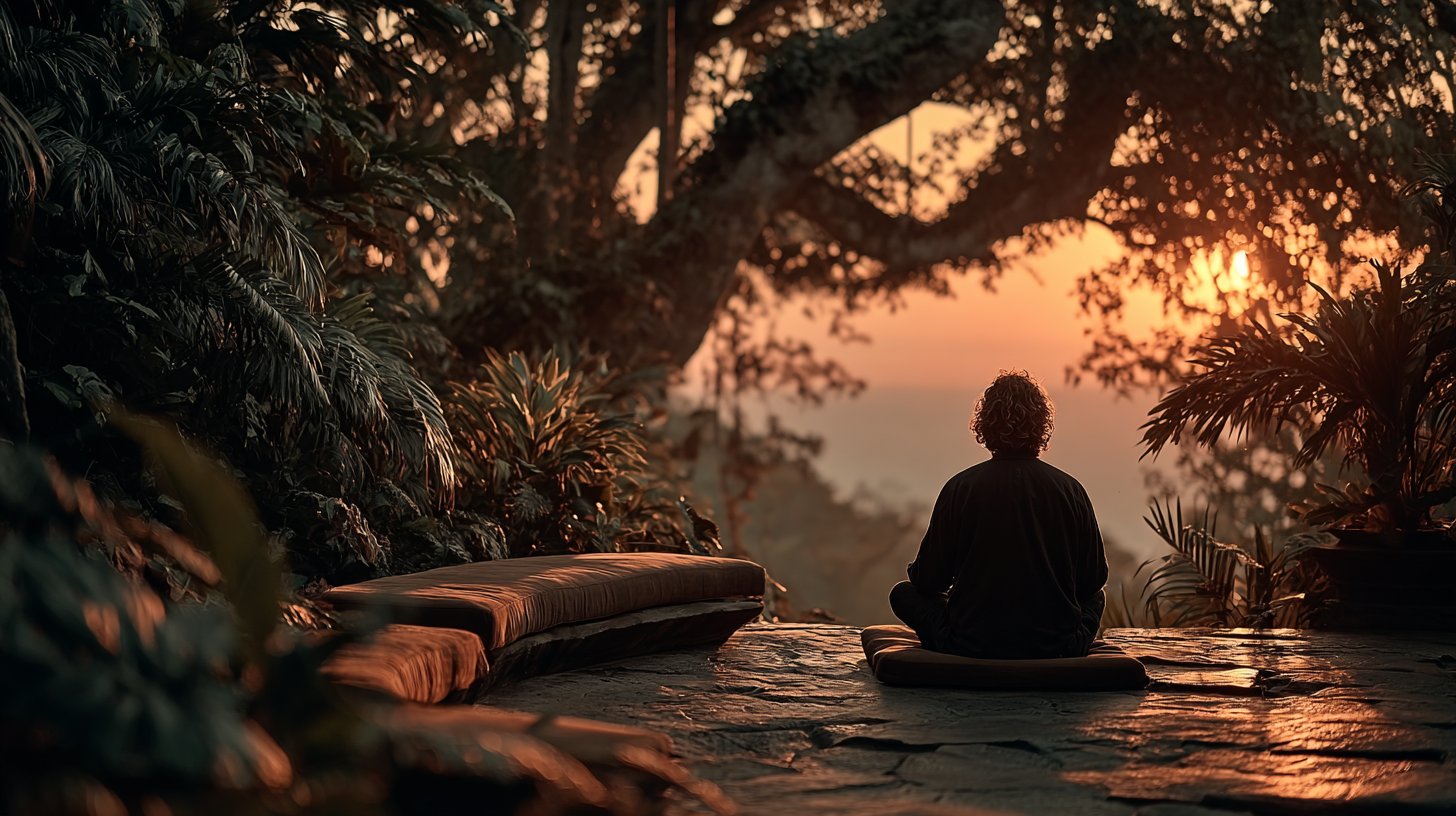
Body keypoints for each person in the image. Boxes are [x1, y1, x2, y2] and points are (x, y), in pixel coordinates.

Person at [889, 370, 1107, 659]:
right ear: (1042, 425)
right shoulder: (1070, 490)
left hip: (970, 643)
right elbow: (1093, 581)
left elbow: (929, 581)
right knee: (1097, 599)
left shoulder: (960, 488)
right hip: (1058, 646)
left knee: (903, 594)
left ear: (984, 425)